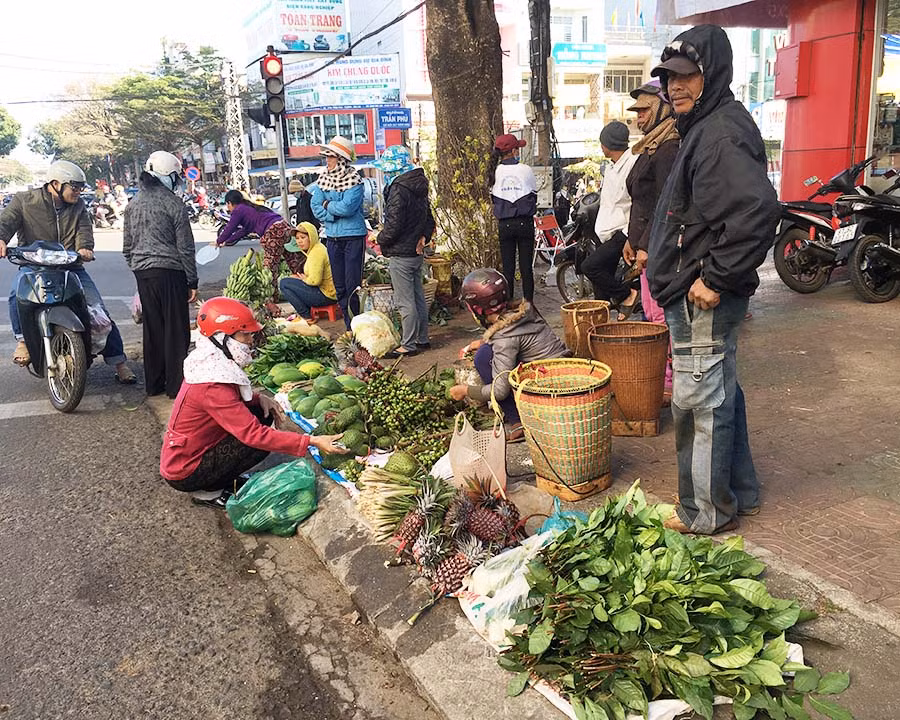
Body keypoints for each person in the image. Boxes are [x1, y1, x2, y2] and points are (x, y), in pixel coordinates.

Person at [647, 25, 780, 535]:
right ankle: (738, 494)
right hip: (697, 290)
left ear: (712, 73)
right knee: (720, 393)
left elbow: (755, 212)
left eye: (686, 75)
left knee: (699, 403)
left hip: (701, 297)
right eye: (668, 78)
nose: (675, 86)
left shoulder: (719, 131)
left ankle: (704, 512)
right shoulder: (707, 126)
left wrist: (716, 277)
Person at [159, 297, 347, 508]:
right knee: (257, 441)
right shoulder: (211, 384)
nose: (250, 341)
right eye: (245, 334)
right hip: (185, 469)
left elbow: (231, 401)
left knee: (260, 412)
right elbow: (253, 435)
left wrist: (260, 398)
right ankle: (209, 492)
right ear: (222, 337)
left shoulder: (210, 364)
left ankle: (218, 480)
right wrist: (311, 441)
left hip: (192, 452)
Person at [0, 160, 135, 383]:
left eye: (81, 187)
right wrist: (2, 238)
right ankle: (23, 340)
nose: (79, 192)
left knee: (97, 309)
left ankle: (119, 362)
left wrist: (85, 248)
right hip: (34, 264)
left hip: (70, 266)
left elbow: (84, 231)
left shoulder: (79, 205)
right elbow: (6, 221)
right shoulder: (25, 200)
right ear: (56, 184)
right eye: (74, 187)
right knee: (16, 295)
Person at [448, 269, 569, 442]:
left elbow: (500, 391)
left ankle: (517, 420)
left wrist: (465, 390)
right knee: (485, 350)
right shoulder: (520, 311)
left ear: (478, 309)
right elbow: (515, 337)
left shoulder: (505, 338)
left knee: (483, 358)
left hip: (549, 387)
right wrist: (483, 341)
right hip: (559, 367)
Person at [622, 79, 681, 401]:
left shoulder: (670, 147)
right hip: (647, 242)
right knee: (649, 310)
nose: (639, 118)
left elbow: (664, 204)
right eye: (637, 112)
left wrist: (646, 245)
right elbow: (640, 201)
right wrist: (632, 240)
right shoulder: (652, 147)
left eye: (644, 110)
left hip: (661, 247)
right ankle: (664, 375)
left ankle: (669, 381)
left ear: (663, 107)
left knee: (658, 315)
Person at [123, 150, 199, 398]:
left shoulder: (132, 204)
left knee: (153, 329)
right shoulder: (173, 203)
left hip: (142, 273)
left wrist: (138, 267)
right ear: (169, 176)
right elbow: (185, 247)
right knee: (176, 330)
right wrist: (192, 280)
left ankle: (154, 385)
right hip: (170, 273)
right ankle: (176, 388)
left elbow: (127, 247)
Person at [374, 145, 435, 358]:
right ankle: (422, 339)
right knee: (418, 297)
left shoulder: (398, 188)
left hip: (401, 252)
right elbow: (430, 219)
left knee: (404, 301)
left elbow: (393, 226)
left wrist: (378, 238)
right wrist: (423, 237)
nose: (385, 173)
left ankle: (408, 345)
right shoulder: (418, 185)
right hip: (416, 251)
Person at [580, 121, 639, 319]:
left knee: (590, 266)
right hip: (607, 230)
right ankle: (605, 328)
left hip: (623, 231)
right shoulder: (613, 166)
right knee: (600, 289)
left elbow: (634, 201)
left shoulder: (632, 163)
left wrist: (630, 235)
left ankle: (626, 294)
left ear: (607, 145)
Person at [311, 135, 367, 329]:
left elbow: (348, 208)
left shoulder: (355, 181)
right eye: (326, 157)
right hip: (333, 238)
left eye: (331, 157)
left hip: (353, 237)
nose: (328, 161)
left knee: (353, 285)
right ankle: (348, 324)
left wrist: (328, 205)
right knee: (340, 286)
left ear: (341, 159)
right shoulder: (322, 180)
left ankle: (356, 324)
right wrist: (332, 212)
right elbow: (315, 206)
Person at [215, 189, 302, 313]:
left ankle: (271, 300)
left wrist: (219, 240)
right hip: (284, 226)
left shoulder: (238, 210)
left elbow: (230, 227)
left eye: (227, 205)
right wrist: (227, 241)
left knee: (270, 267)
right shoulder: (249, 208)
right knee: (293, 261)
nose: (228, 208)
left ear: (230, 203)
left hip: (272, 231)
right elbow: (244, 231)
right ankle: (302, 288)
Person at [489, 134, 537, 303]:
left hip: (504, 224)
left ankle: (508, 305)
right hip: (525, 223)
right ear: (514, 150)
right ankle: (528, 304)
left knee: (507, 269)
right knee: (526, 268)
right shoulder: (525, 169)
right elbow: (533, 193)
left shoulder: (494, 171)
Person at [278, 222, 337, 320]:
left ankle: (306, 316)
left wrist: (304, 279)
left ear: (312, 237)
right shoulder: (317, 248)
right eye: (297, 238)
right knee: (290, 281)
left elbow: (315, 281)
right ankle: (307, 313)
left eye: (303, 237)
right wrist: (300, 279)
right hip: (327, 292)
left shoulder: (316, 253)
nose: (299, 241)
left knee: (284, 283)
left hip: (326, 295)